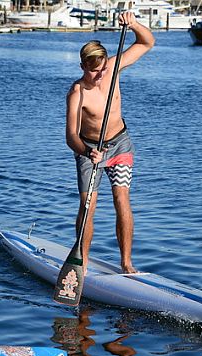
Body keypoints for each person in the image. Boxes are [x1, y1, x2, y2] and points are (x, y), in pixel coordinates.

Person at [65, 11, 154, 275]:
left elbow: (147, 42)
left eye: (103, 69)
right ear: (83, 67)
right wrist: (87, 151)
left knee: (121, 199)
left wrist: (134, 23)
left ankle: (126, 263)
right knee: (87, 206)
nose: (100, 75)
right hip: (88, 151)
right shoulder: (77, 93)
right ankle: (81, 260)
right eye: (94, 71)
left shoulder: (112, 68)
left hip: (120, 146)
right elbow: (71, 136)